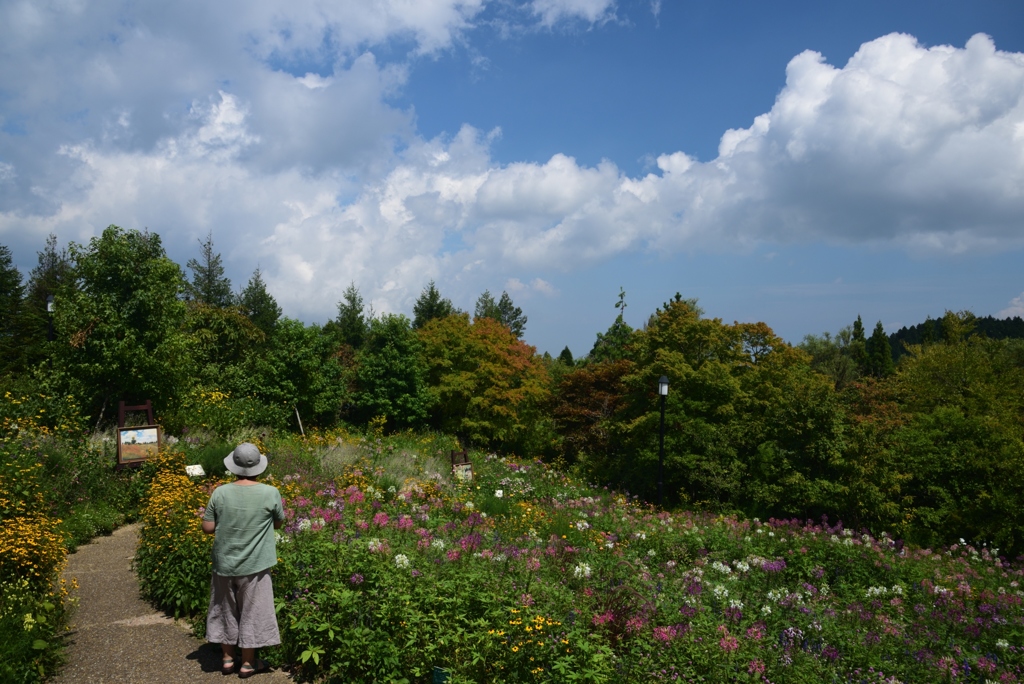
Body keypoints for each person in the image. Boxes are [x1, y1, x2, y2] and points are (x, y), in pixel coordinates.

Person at [202, 442, 286, 678]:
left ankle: (228, 659)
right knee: (253, 611)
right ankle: (248, 663)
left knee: (224, 608)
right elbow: (278, 523)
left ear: (233, 467)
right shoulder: (270, 492)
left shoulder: (220, 492)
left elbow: (207, 527)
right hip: (255, 565)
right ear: (259, 467)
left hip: (224, 564)